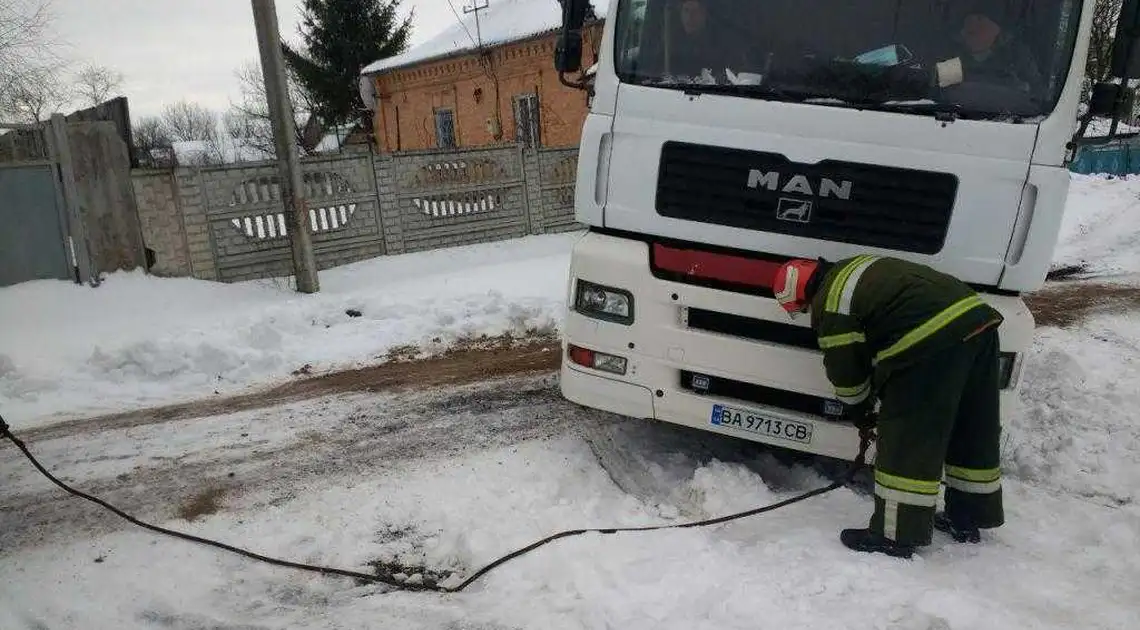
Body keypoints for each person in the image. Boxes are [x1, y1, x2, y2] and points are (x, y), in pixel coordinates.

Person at [771, 255, 1006, 558]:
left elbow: (847, 375)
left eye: (803, 309)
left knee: (907, 434)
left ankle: (896, 535)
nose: (808, 313)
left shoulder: (832, 303)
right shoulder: (852, 270)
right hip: (977, 322)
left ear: (805, 295)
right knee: (971, 424)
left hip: (932, 339)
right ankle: (969, 516)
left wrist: (861, 411)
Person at [935, 6, 1044, 96]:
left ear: (997, 29)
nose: (973, 25)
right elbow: (942, 93)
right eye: (968, 23)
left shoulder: (1017, 56)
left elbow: (1037, 92)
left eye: (980, 19)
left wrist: (1018, 87)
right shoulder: (953, 55)